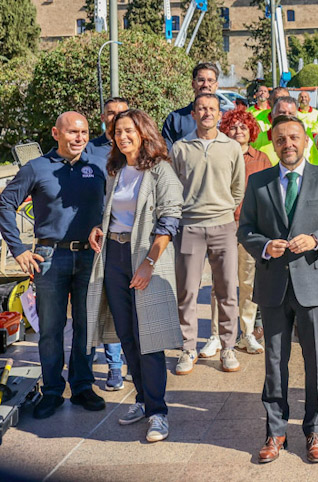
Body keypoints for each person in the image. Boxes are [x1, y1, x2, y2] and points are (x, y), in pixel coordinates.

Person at [237, 115, 318, 464]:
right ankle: (275, 431)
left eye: (294, 138)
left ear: (306, 142)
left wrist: (317, 239)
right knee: (274, 362)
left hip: (313, 282)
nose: (288, 144)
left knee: (315, 361)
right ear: (273, 143)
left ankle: (316, 429)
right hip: (273, 283)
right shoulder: (258, 182)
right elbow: (246, 230)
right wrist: (265, 245)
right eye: (281, 139)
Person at [0, 112, 107, 419]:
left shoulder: (96, 166)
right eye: (73, 132)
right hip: (49, 258)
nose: (79, 138)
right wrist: (18, 249)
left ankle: (84, 386)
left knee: (87, 326)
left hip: (90, 255)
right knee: (50, 329)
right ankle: (51, 391)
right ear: (56, 133)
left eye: (84, 132)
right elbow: (5, 204)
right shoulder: (36, 168)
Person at [86, 109, 183, 442]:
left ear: (143, 132)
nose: (122, 136)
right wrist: (100, 228)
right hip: (113, 255)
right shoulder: (115, 169)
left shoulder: (160, 171)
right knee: (127, 335)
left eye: (129, 130)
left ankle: (158, 413)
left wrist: (149, 263)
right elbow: (114, 213)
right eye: (117, 131)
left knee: (149, 338)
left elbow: (170, 219)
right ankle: (142, 400)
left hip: (145, 258)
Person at [169, 93, 246, 374]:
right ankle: (188, 348)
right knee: (187, 291)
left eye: (212, 108)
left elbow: (238, 187)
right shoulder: (180, 148)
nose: (206, 113)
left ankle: (227, 347)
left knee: (227, 290)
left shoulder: (231, 147)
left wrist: (225, 208)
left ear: (219, 113)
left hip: (224, 225)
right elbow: (173, 187)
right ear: (194, 113)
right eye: (201, 108)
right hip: (189, 226)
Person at [218, 107, 272, 354]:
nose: (238, 130)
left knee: (248, 282)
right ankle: (218, 335)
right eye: (233, 126)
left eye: (243, 126)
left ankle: (247, 333)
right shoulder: (219, 155)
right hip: (223, 223)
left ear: (251, 131)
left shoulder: (261, 158)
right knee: (223, 281)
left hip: (251, 228)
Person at [84, 97, 129, 390]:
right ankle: (98, 369)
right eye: (110, 113)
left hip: (121, 239)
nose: (114, 119)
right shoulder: (89, 150)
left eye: (120, 114)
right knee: (96, 307)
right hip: (93, 237)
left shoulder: (131, 150)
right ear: (102, 117)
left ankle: (123, 364)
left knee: (120, 307)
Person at [161, 62, 221, 149]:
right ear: (193, 84)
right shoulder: (176, 119)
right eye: (201, 80)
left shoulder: (227, 118)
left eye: (210, 80)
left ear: (216, 85)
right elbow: (166, 155)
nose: (205, 84)